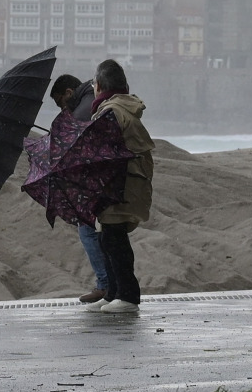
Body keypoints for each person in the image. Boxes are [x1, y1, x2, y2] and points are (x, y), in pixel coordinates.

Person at [83, 59, 154, 314]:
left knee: (115, 240)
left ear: (99, 85)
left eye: (93, 83)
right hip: (121, 184)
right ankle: (113, 293)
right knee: (106, 238)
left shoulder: (111, 111)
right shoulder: (118, 108)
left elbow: (102, 152)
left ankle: (127, 296)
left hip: (119, 186)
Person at [49, 74, 111, 303]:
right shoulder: (89, 98)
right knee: (107, 234)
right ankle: (109, 285)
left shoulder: (83, 108)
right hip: (103, 178)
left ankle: (105, 285)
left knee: (87, 230)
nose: (62, 108)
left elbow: (78, 144)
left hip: (97, 182)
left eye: (60, 102)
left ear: (67, 92)